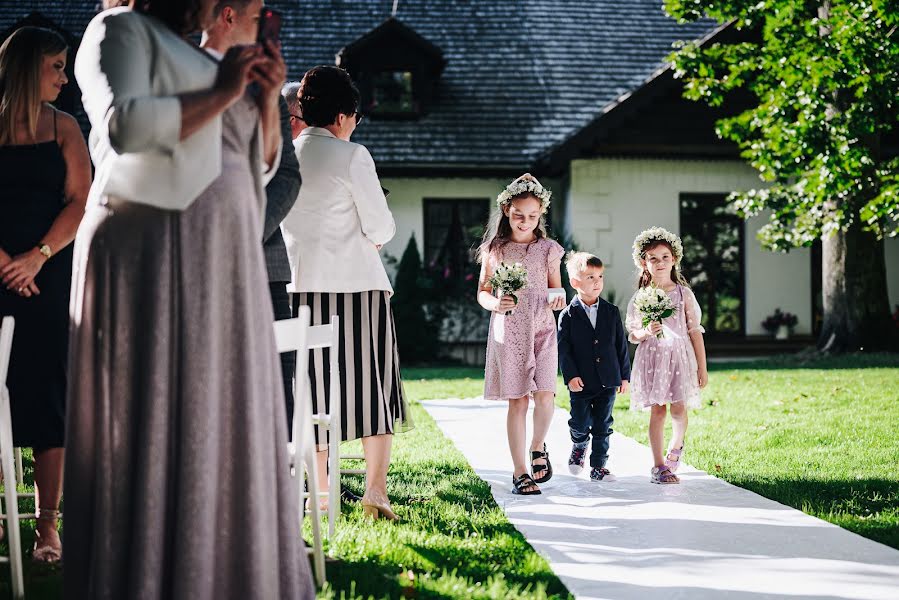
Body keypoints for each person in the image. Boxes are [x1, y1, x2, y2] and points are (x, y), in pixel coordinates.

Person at [67, 1, 313, 598]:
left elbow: (258, 167)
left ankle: (220, 564)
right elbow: (123, 127)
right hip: (148, 248)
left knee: (223, 408)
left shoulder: (209, 57)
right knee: (152, 408)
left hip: (221, 258)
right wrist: (229, 90)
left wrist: (266, 100)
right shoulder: (117, 30)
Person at [281, 65, 411, 520]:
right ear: (341, 116)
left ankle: (322, 494)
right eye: (354, 116)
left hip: (300, 290)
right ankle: (375, 494)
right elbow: (381, 226)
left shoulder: (283, 157)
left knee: (312, 391)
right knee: (372, 386)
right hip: (357, 288)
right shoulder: (352, 156)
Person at [0, 26, 91, 563]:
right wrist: (4, 264)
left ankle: (46, 528)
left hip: (48, 274)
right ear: (28, 66)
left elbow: (81, 200)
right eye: (56, 66)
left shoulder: (64, 126)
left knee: (46, 392)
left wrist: (36, 256)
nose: (64, 76)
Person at [201, 0, 302, 434]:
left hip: (265, 266)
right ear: (229, 15)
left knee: (277, 394)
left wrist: (246, 231)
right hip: (196, 263)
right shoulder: (181, 73)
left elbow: (287, 174)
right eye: (259, 15)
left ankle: (279, 494)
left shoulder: (267, 89)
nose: (264, 24)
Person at [476, 173, 566, 495]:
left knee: (545, 394)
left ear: (540, 214)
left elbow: (557, 288)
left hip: (542, 328)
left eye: (531, 216)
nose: (524, 221)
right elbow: (483, 292)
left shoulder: (549, 250)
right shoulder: (495, 250)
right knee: (517, 402)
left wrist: (558, 298)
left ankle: (538, 445)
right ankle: (519, 472)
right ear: (506, 212)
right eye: (518, 215)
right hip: (510, 329)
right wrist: (496, 303)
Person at [625, 226, 708, 484]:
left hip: (680, 359)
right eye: (653, 258)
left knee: (679, 409)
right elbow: (632, 334)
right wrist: (646, 331)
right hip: (653, 361)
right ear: (643, 263)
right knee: (658, 411)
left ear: (674, 260)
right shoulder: (641, 297)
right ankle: (658, 465)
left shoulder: (684, 294)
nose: (660, 263)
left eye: (665, 257)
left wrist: (702, 368)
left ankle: (677, 442)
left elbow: (695, 332)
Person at [557, 251, 630, 482]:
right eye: (590, 277)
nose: (597, 281)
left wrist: (624, 376)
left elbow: (620, 345)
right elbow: (564, 349)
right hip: (581, 381)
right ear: (575, 282)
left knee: (603, 424)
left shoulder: (611, 312)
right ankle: (579, 444)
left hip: (608, 379)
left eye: (600, 276)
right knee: (580, 422)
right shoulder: (567, 315)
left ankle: (599, 466)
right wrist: (570, 376)